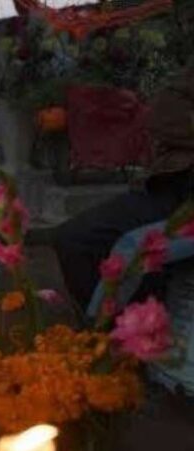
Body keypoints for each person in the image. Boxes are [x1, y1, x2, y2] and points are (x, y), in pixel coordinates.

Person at [54, 62, 194, 310]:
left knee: (143, 250)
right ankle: (110, 336)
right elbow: (161, 115)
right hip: (173, 182)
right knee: (75, 238)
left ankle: (138, 334)